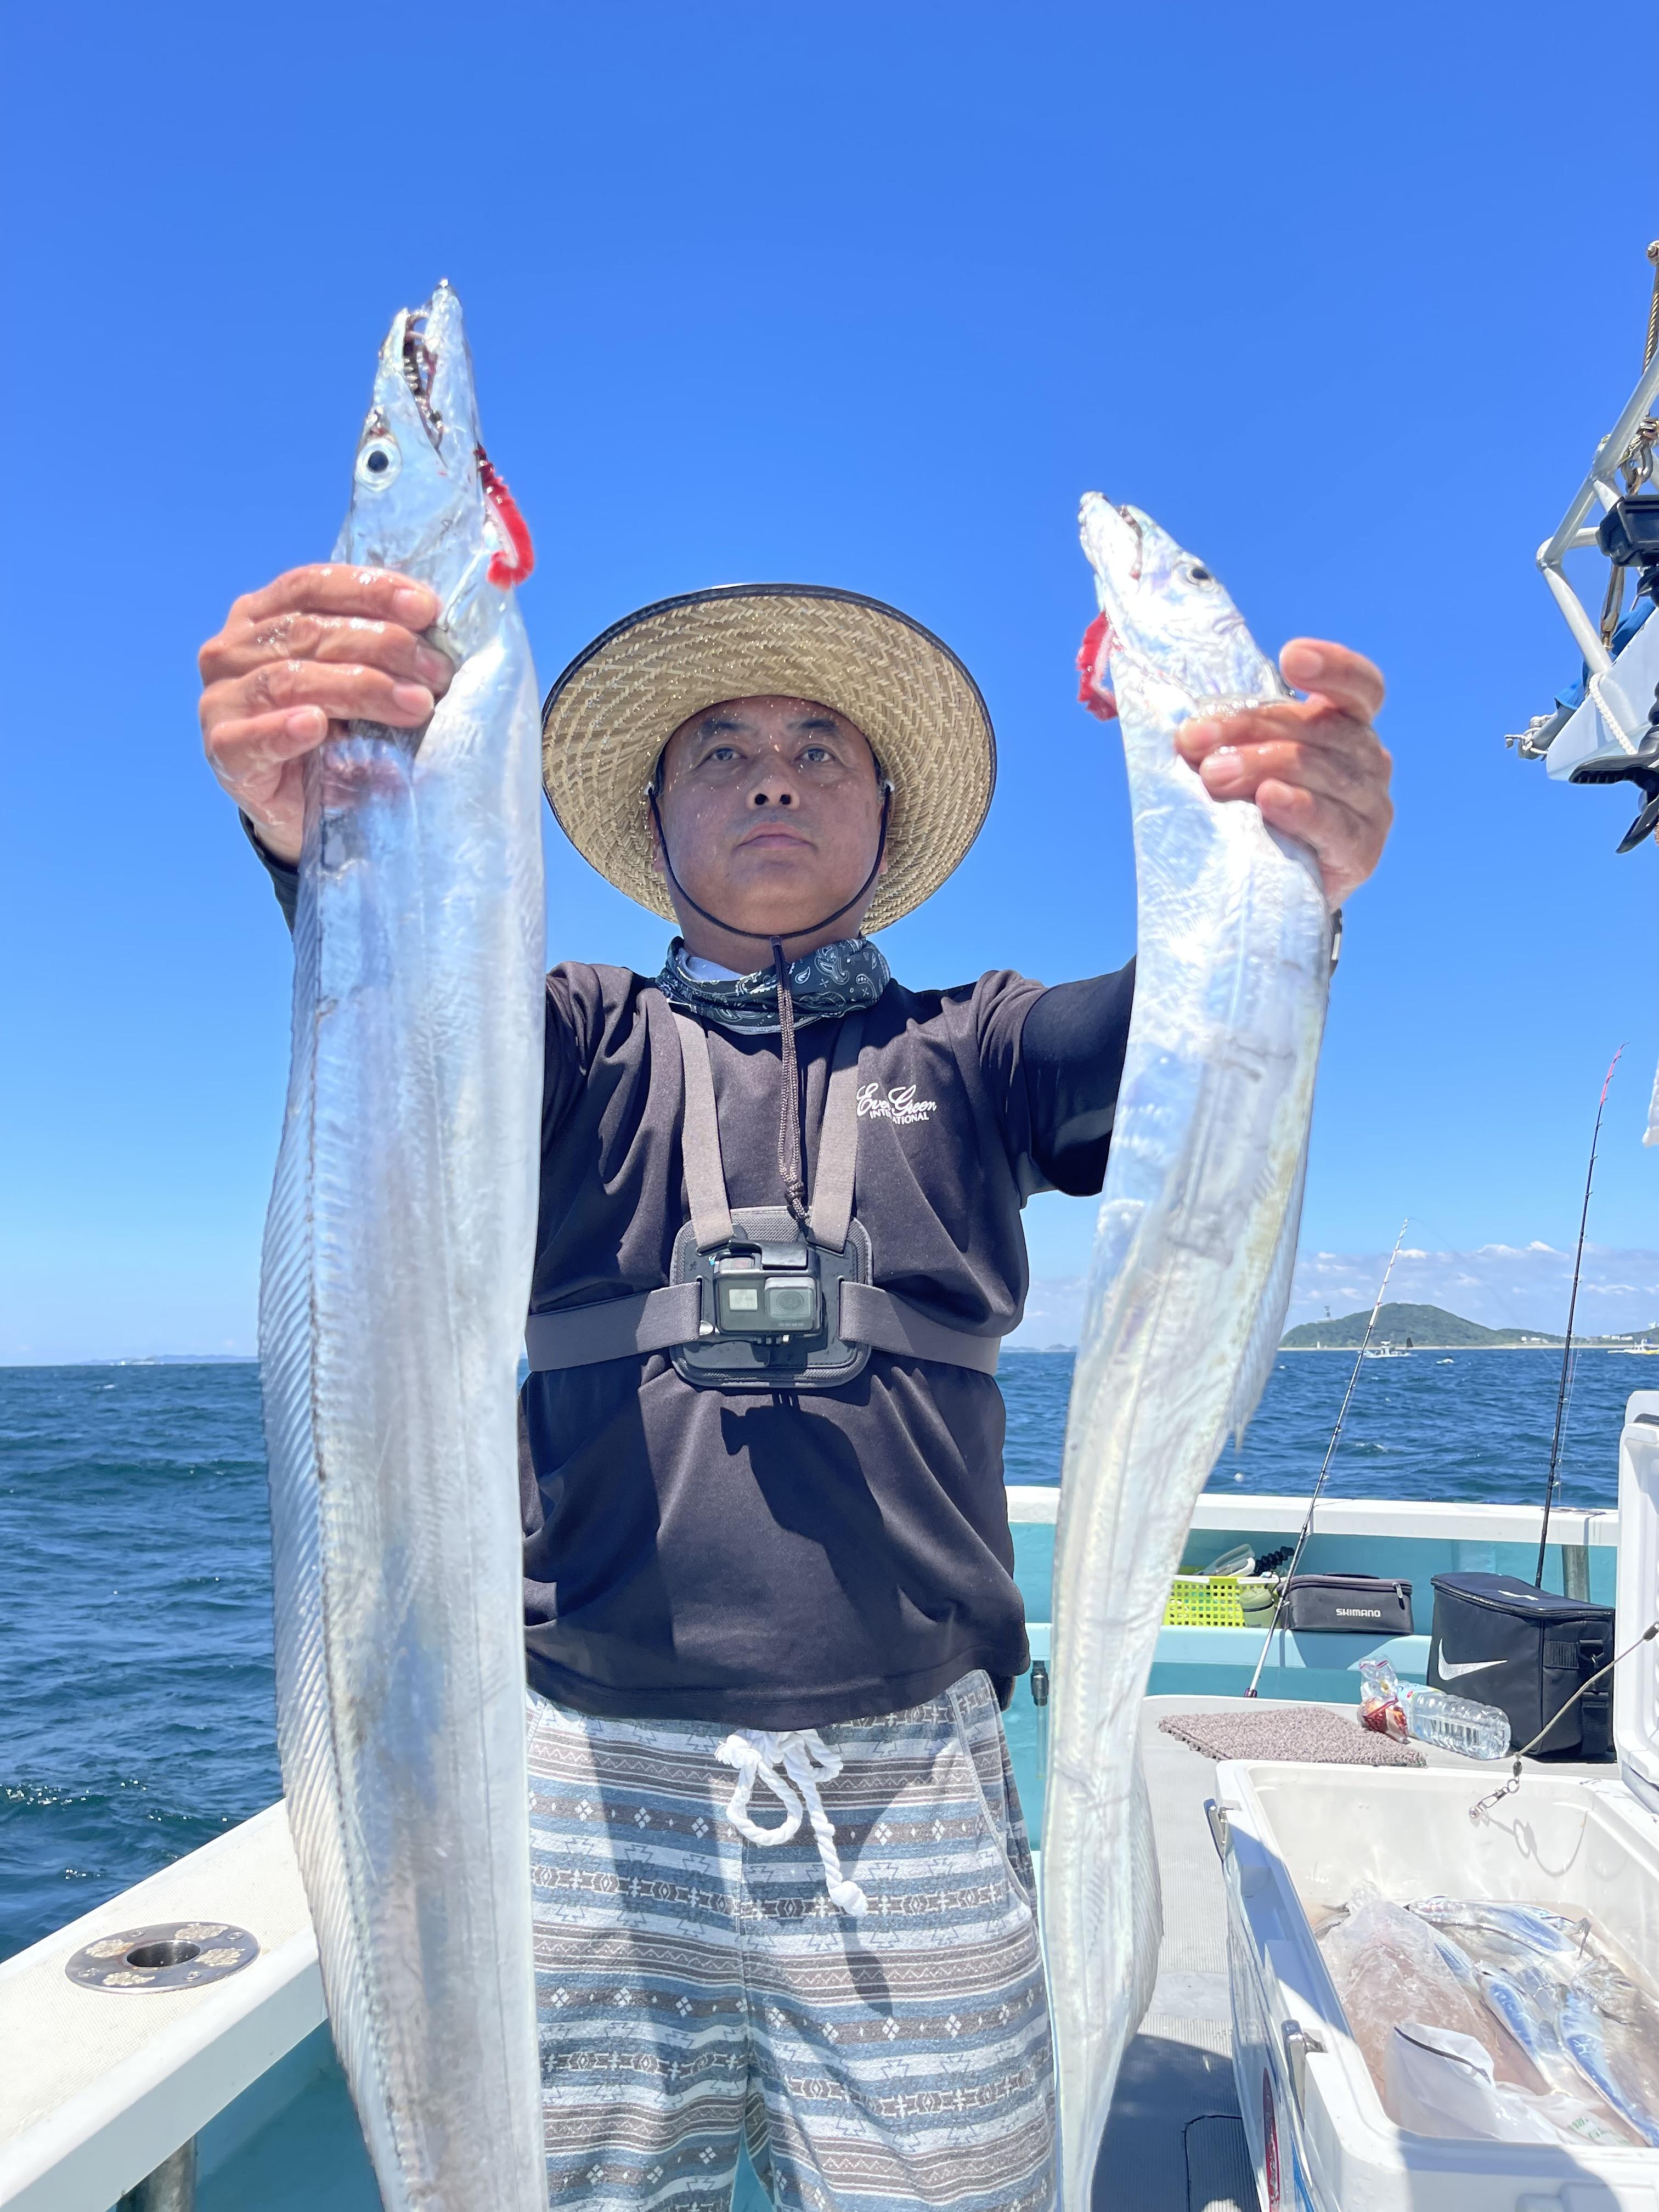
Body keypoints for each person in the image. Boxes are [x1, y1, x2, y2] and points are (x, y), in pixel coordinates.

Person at [199, 567, 1391, 2211]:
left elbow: (1200, 1032)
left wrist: (1293, 881)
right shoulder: (561, 1043)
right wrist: (315, 832)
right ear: (657, 817)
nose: (775, 771)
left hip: (911, 1795)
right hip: (579, 1794)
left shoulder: (979, 1049)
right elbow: (404, 999)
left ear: (882, 814)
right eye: (725, 748)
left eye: (822, 743)